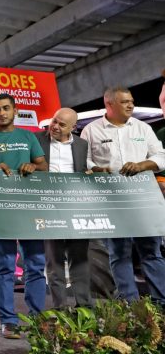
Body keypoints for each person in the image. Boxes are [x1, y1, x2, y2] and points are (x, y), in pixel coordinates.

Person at [0, 93, 48, 340]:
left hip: (29, 207)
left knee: (35, 264)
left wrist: (33, 166)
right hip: (0, 208)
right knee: (5, 267)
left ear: (15, 110)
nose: (2, 113)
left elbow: (43, 166)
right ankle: (8, 321)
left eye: (6, 108)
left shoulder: (27, 136)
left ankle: (37, 319)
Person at [81, 86, 165, 305]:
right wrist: (96, 168)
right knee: (119, 253)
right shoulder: (91, 130)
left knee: (151, 251)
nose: (131, 105)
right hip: (112, 201)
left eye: (132, 101)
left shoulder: (143, 128)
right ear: (109, 104)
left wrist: (142, 165)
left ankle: (162, 303)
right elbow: (83, 160)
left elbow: (161, 156)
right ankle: (131, 306)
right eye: (125, 102)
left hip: (143, 199)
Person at [37, 108, 93, 308]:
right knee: (54, 261)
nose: (55, 126)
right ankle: (60, 308)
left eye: (62, 125)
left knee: (80, 259)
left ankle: (84, 307)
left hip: (76, 206)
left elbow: (85, 169)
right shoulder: (36, 140)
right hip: (49, 206)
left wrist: (90, 172)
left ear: (73, 127)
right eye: (54, 121)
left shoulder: (82, 144)